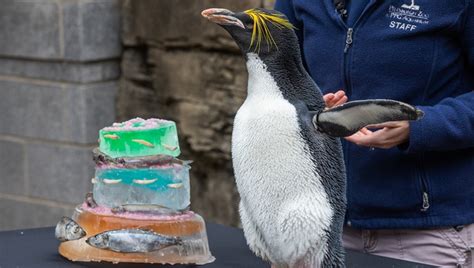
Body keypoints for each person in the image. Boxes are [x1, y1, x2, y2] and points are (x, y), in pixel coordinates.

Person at [275, 0, 474, 267]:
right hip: (319, 224)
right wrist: (310, 111)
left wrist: (419, 126)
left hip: (425, 233)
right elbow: (278, 82)